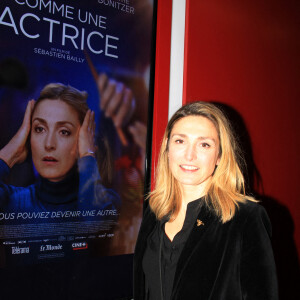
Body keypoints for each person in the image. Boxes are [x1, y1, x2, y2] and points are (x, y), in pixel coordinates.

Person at [133, 101, 278, 300]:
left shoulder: (245, 218)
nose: (189, 155)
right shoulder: (154, 209)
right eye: (180, 141)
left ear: (219, 155)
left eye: (204, 144)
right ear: (167, 147)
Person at [0, 83, 119, 235]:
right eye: (39, 129)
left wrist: (87, 155)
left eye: (64, 132)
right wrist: (12, 152)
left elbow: (93, 226)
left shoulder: (107, 201)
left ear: (84, 140)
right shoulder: (11, 200)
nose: (49, 144)